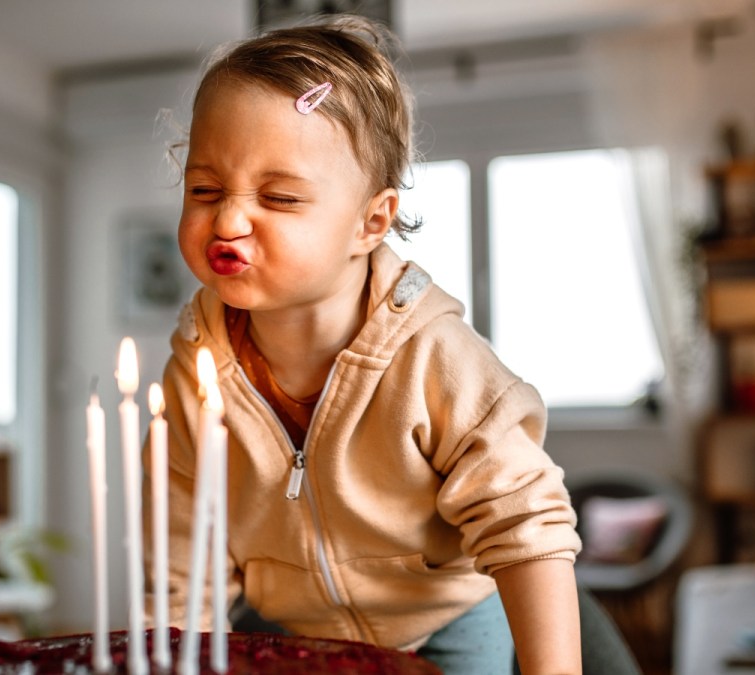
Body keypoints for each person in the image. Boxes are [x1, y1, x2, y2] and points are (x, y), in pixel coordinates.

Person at [150, 14, 582, 675]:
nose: (228, 218)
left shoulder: (434, 355)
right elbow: (184, 556)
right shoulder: (195, 372)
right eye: (204, 189)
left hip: (447, 626)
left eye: (280, 196)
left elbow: (529, 528)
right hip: (287, 629)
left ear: (370, 222)